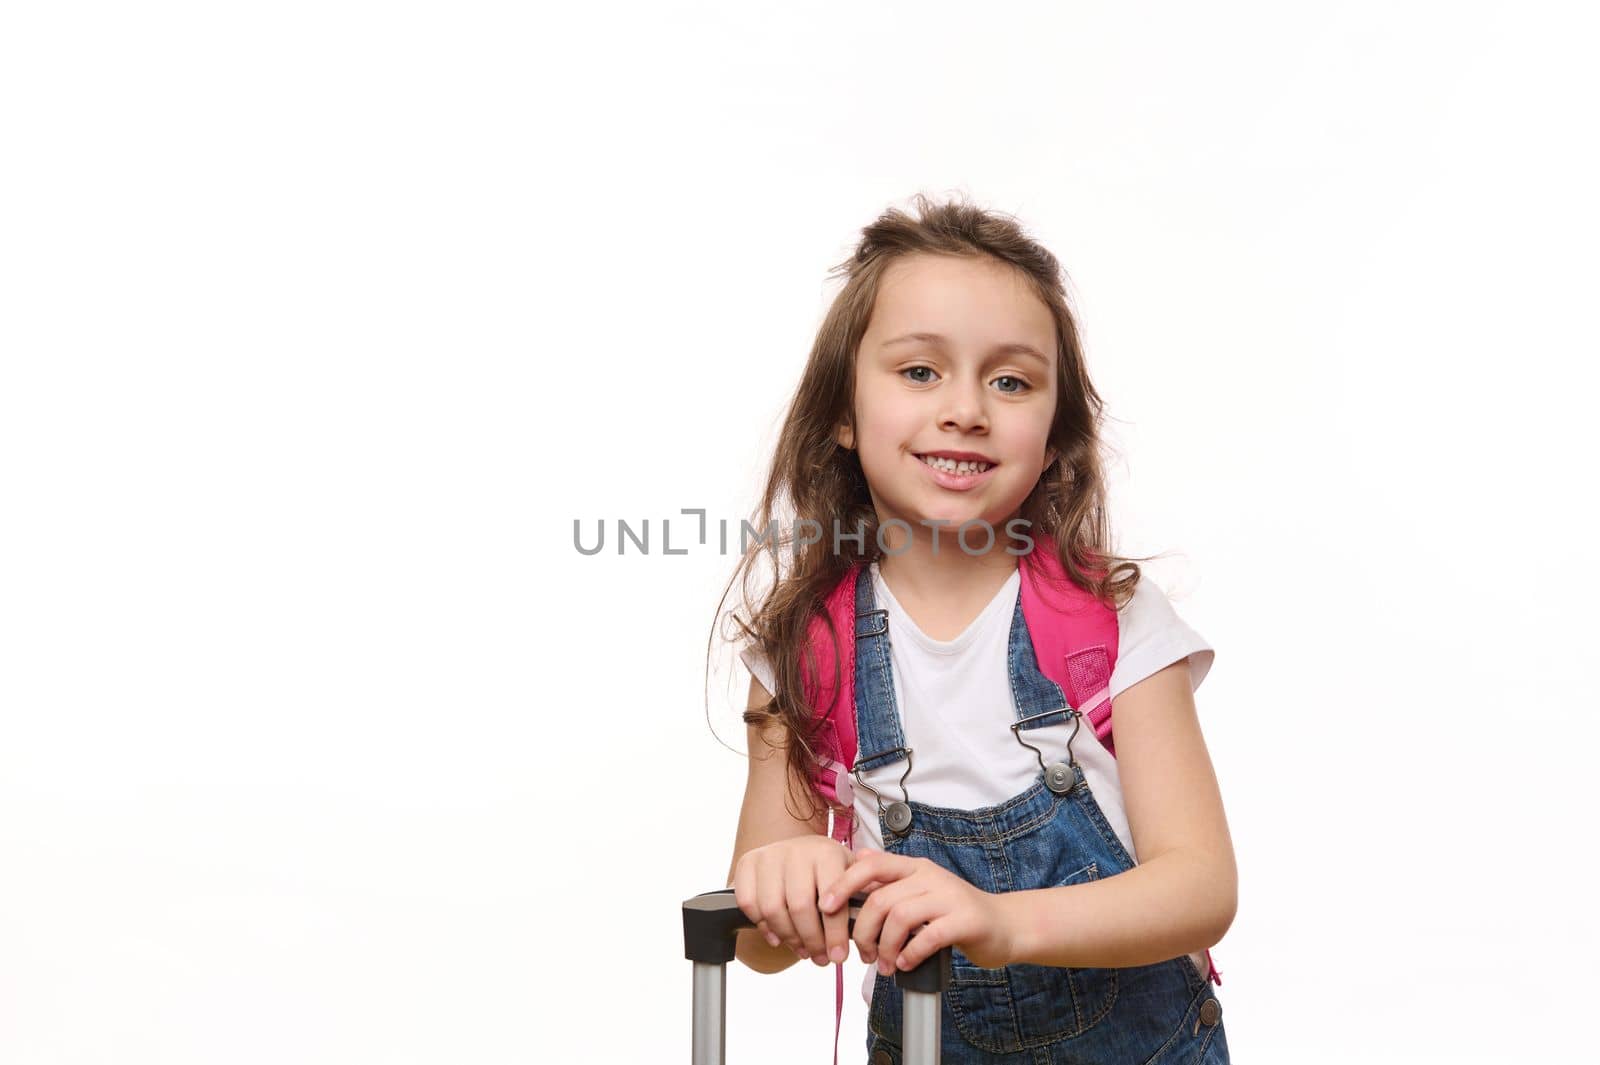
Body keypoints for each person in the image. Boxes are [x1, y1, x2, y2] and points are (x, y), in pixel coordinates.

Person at [717, 193, 1235, 1064]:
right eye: (920, 371)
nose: (966, 407)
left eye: (1010, 380)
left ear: (1054, 436)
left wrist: (1001, 921)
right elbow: (757, 938)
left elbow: (1199, 885)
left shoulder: (1111, 622)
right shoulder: (807, 648)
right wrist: (782, 879)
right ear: (841, 413)